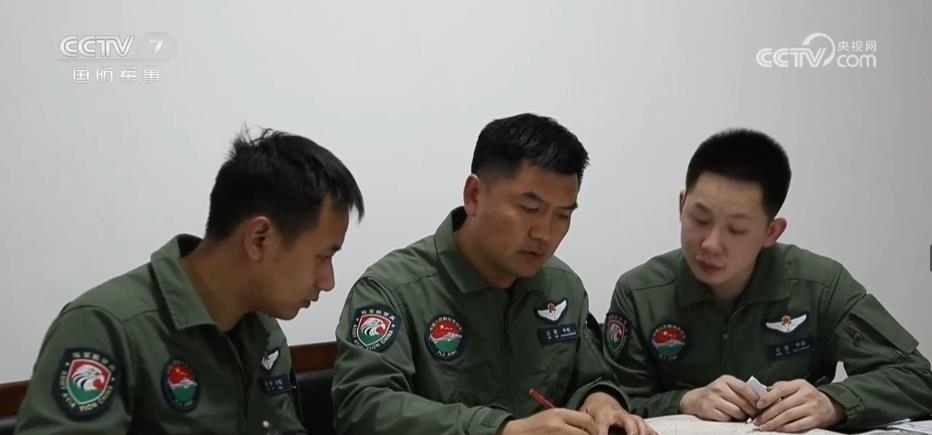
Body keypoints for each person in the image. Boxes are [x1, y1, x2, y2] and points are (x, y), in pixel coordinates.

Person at [14, 128, 364, 434]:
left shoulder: (263, 331)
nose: (328, 281)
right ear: (259, 239)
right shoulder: (104, 328)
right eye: (323, 256)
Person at [331, 113, 653, 435]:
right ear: (474, 195)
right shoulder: (393, 290)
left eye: (562, 215)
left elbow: (592, 378)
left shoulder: (561, 286)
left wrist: (602, 400)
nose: (545, 233)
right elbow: (362, 408)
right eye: (530, 209)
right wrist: (502, 431)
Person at [603, 128, 932, 432]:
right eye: (699, 219)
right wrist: (684, 401)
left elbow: (917, 378)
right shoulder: (640, 293)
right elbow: (612, 404)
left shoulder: (819, 286)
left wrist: (834, 402)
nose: (711, 244)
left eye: (736, 230)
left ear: (771, 232)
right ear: (681, 205)